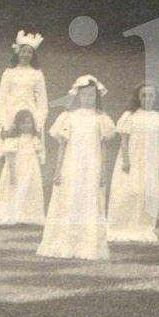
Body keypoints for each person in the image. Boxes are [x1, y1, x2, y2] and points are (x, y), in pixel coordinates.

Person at [38, 75, 116, 260]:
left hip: (92, 165)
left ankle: (87, 246)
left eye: (91, 95)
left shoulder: (101, 119)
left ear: (96, 97)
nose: (88, 99)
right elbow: (62, 145)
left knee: (89, 200)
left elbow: (103, 145)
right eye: (84, 95)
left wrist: (103, 171)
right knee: (69, 199)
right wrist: (58, 170)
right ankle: (65, 244)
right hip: (72, 165)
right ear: (78, 96)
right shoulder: (68, 117)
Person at [106, 81, 159, 243]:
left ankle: (143, 228)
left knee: (146, 194)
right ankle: (120, 227)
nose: (147, 99)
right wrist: (126, 160)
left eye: (151, 96)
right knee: (128, 192)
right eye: (144, 95)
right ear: (138, 97)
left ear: (155, 98)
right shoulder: (130, 117)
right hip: (131, 160)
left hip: (151, 162)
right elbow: (124, 140)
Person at [0, 109, 47, 226]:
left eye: (29, 123)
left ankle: (27, 215)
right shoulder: (14, 140)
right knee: (15, 189)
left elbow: (38, 152)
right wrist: (13, 173)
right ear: (17, 124)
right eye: (23, 123)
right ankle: (12, 213)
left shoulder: (34, 139)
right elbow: (10, 157)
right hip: (17, 168)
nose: (27, 126)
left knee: (30, 190)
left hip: (31, 168)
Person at [0, 30, 48, 133]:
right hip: (11, 112)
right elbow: (1, 100)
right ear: (18, 53)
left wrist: (38, 125)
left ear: (33, 55)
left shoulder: (37, 74)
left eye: (29, 52)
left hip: (30, 115)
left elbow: (42, 102)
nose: (26, 55)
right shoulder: (9, 72)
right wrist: (4, 124)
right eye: (23, 51)